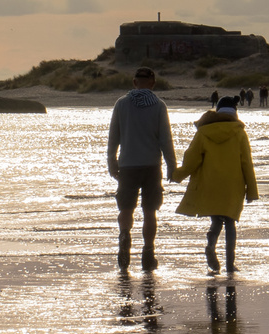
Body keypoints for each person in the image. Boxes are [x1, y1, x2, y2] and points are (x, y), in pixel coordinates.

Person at [172, 96, 259, 273]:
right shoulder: (239, 132)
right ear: (235, 113)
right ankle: (230, 264)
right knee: (230, 223)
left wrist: (177, 175)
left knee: (216, 221)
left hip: (209, 184)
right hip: (233, 185)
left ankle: (211, 245)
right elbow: (246, 163)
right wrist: (251, 191)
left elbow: (192, 159)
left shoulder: (204, 132)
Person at [107, 67, 177, 271]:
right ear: (153, 84)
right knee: (150, 211)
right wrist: (171, 165)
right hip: (151, 166)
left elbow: (114, 136)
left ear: (134, 82)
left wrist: (112, 161)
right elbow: (166, 139)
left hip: (127, 165)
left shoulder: (121, 104)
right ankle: (148, 252)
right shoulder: (158, 105)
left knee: (126, 208)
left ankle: (125, 235)